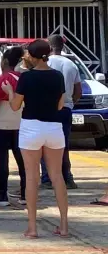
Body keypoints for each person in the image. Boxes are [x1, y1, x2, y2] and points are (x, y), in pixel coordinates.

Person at [2, 39, 69, 238]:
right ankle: (64, 225)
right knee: (57, 176)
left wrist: (9, 92)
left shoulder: (26, 77)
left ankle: (32, 228)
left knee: (32, 178)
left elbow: (15, 106)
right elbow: (60, 105)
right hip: (54, 127)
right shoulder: (57, 76)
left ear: (31, 56)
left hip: (31, 127)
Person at [0, 46, 26, 206]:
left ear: (5, 61)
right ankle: (24, 194)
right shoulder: (22, 78)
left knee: (3, 161)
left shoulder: (0, 79)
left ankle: (2, 194)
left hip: (1, 124)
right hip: (20, 123)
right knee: (22, 160)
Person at [41, 34, 80, 190]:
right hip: (66, 109)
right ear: (62, 47)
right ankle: (67, 178)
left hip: (46, 109)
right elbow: (78, 91)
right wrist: (71, 102)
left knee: (45, 144)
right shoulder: (72, 64)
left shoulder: (45, 63)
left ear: (49, 48)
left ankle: (47, 178)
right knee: (63, 145)